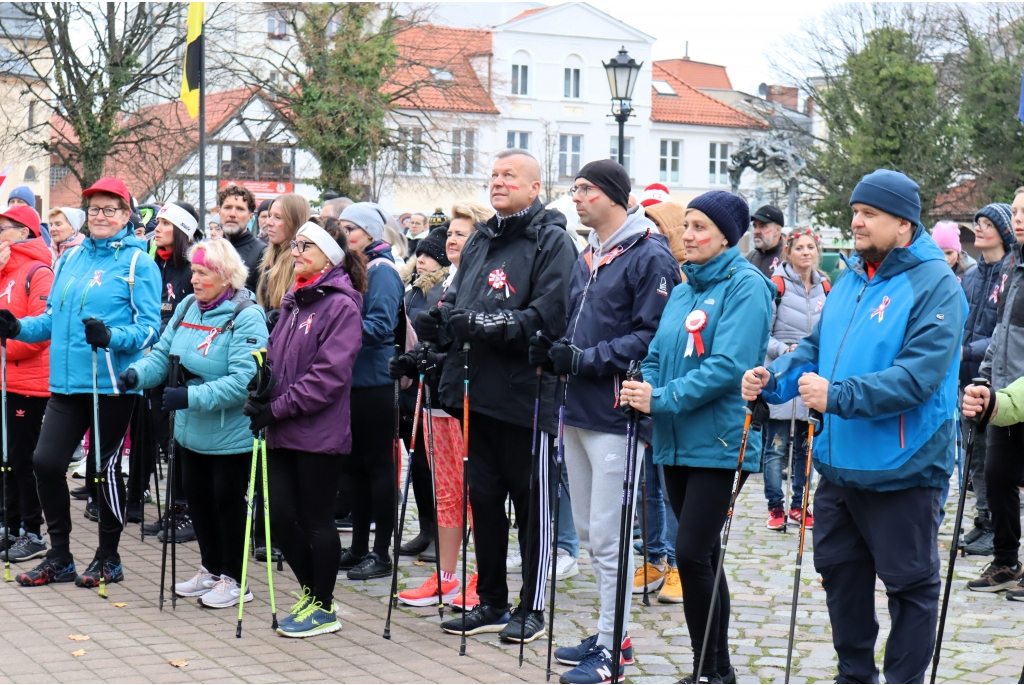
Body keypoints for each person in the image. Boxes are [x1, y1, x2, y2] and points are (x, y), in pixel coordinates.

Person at [742, 169, 966, 683]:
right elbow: (816, 350)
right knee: (841, 577)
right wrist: (771, 379)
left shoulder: (937, 285)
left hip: (904, 468)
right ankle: (854, 676)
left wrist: (837, 396)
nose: (856, 222)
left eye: (870, 214)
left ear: (904, 225)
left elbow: (918, 378)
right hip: (839, 465)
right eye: (855, 212)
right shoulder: (850, 277)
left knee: (909, 587)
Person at [416, 148, 576, 642]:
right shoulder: (483, 238)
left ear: (533, 188)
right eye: (494, 174)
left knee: (532, 510)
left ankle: (533, 606)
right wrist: (439, 330)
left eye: (510, 175)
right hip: (475, 395)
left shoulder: (553, 241)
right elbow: (459, 302)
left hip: (526, 399)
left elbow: (548, 317)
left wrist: (484, 325)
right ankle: (491, 600)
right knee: (483, 503)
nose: (498, 182)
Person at [533, 159, 680, 683]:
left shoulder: (649, 254)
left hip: (617, 414)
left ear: (614, 196)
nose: (576, 197)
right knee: (589, 532)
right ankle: (607, 630)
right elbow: (575, 319)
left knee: (611, 536)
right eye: (574, 189)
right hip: (575, 408)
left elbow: (651, 335)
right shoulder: (589, 253)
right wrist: (552, 351)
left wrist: (585, 360)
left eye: (586, 189)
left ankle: (613, 650)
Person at [623, 190, 772, 684]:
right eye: (685, 225)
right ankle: (715, 669)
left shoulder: (746, 286)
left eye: (700, 227)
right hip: (674, 438)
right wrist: (640, 382)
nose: (688, 236)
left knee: (688, 554)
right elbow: (659, 351)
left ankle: (709, 667)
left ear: (727, 235)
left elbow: (728, 367)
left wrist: (659, 398)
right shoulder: (684, 288)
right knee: (702, 554)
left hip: (721, 440)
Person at [0, 177, 161, 588]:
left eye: (110, 209)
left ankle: (109, 557)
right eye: (95, 209)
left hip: (110, 384)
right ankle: (60, 556)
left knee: (103, 470)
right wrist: (17, 326)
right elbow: (52, 320)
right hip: (67, 383)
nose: (101, 216)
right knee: (45, 462)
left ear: (127, 215)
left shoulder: (137, 263)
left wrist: (111, 337)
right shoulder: (70, 259)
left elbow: (149, 330)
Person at [122, 238, 268, 607]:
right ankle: (211, 569)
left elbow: (243, 381)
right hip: (190, 429)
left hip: (229, 432)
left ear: (225, 276)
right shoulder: (189, 306)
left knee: (227, 501)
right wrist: (135, 375)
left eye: (204, 273)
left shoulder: (246, 315)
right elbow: (162, 357)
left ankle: (236, 581)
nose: (195, 279)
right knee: (199, 500)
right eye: (195, 271)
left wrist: (189, 396)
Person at [243, 220, 367, 637]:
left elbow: (326, 379)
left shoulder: (340, 305)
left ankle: (324, 605)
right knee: (278, 519)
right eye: (295, 245)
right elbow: (277, 361)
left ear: (330, 254)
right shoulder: (295, 300)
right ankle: (312, 594)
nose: (296, 251)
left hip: (317, 432)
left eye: (306, 245)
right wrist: (260, 388)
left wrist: (275, 409)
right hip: (282, 426)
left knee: (315, 520)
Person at [336, 202, 404, 580]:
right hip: (351, 381)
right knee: (355, 470)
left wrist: (333, 335)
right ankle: (358, 546)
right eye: (342, 228)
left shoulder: (382, 270)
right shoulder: (356, 268)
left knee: (379, 469)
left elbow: (380, 326)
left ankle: (381, 553)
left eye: (352, 229)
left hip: (375, 383)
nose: (345, 236)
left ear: (371, 234)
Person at [966, 188, 1024, 596]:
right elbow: (1000, 334)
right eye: (1017, 211)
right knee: (997, 476)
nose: (1018, 219)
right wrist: (984, 379)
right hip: (1002, 399)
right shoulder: (1011, 267)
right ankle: (1005, 561)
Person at [762, 228, 829, 531]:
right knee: (776, 446)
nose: (806, 252)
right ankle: (775, 506)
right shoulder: (776, 285)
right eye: (799, 247)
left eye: (810, 247)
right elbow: (762, 333)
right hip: (780, 371)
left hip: (810, 375)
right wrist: (783, 349)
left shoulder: (825, 287)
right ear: (788, 252)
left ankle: (800, 506)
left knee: (805, 446)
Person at [957, 203, 1014, 557]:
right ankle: (983, 520)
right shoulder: (971, 276)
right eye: (976, 223)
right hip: (967, 379)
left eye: (987, 223)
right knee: (973, 456)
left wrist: (967, 351)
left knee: (995, 462)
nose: (979, 229)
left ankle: (996, 525)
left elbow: (1003, 332)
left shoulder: (1011, 274)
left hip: (997, 381)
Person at [0, 206, 53, 563]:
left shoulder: (39, 271)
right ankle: (10, 523)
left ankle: (33, 531)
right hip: (3, 379)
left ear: (24, 232)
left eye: (5, 228)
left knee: (23, 459)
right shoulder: (2, 269)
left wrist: (6, 346)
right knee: (4, 457)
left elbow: (39, 331)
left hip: (27, 382)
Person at [395, 226, 450, 563]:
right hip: (409, 383)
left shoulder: (440, 289)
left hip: (432, 386)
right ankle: (426, 529)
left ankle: (440, 536)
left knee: (434, 466)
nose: (422, 259)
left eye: (430, 255)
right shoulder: (412, 287)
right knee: (416, 462)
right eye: (421, 253)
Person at [257, 193, 310, 322]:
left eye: (278, 217)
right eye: (269, 216)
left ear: (295, 223)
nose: (268, 222)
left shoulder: (303, 263)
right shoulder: (267, 257)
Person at [218, 184, 267, 293]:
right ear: (219, 212)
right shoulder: (209, 250)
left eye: (240, 209)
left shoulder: (262, 253)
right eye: (227, 208)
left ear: (250, 217)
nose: (232, 214)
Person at [746, 204, 785, 277]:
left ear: (777, 230)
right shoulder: (750, 257)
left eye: (762, 226)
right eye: (755, 226)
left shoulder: (788, 258)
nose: (756, 231)